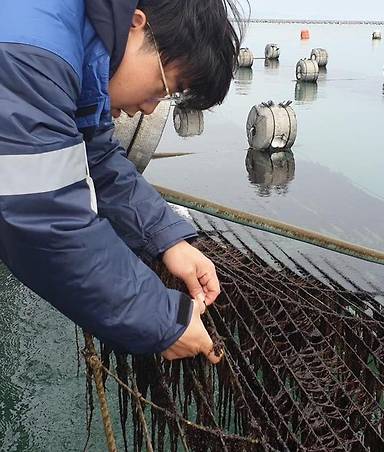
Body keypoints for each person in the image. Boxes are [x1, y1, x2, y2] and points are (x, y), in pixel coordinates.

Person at [0, 0, 243, 363]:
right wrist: (163, 319)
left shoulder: (74, 48)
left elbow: (95, 155)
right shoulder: (32, 57)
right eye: (164, 87)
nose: (149, 108)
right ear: (136, 24)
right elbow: (40, 215)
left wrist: (167, 240)